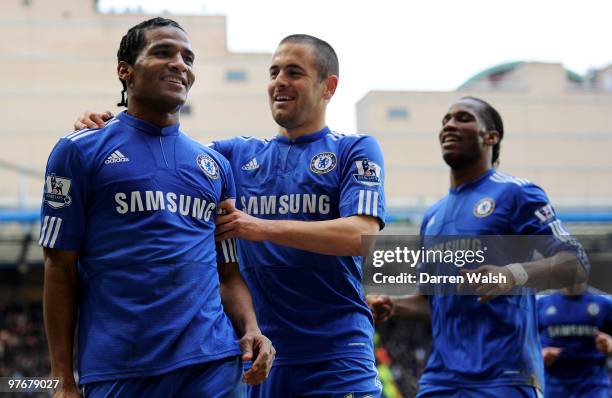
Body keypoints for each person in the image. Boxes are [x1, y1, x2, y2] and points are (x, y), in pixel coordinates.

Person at [74, 34, 385, 398]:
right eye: (274, 72)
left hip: (337, 361)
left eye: (294, 72)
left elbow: (363, 236)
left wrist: (260, 227)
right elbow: (163, 151)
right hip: (258, 359)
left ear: (328, 86)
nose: (279, 81)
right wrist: (111, 127)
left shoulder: (355, 149)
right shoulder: (233, 155)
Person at [41, 17, 273, 398]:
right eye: (163, 52)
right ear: (125, 71)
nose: (180, 64)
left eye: (188, 57)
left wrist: (250, 327)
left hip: (213, 366)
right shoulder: (77, 151)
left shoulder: (215, 165)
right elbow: (58, 267)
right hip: (120, 369)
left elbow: (228, 274)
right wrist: (61, 380)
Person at [367, 97, 588, 397]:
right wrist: (394, 306)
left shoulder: (517, 193)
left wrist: (512, 274)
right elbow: (430, 301)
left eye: (463, 118)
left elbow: (575, 264)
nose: (449, 125)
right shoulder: (433, 216)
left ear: (491, 136)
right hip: (440, 379)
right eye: (445, 120)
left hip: (504, 377)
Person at [538, 283, 612, 398]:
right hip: (554, 385)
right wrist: (539, 355)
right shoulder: (541, 303)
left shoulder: (604, 303)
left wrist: (610, 345)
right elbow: (525, 343)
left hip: (592, 384)